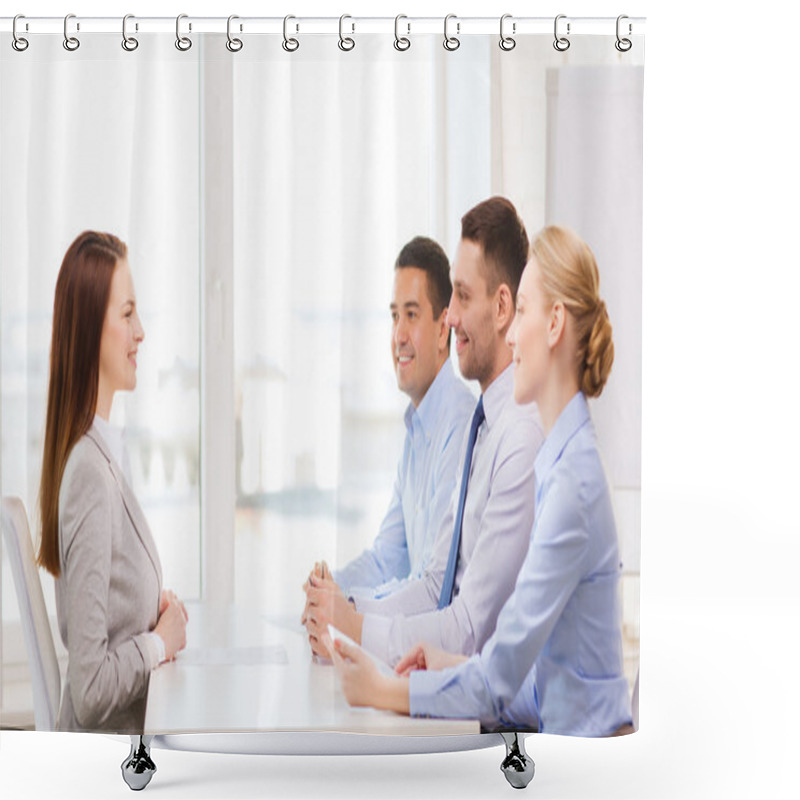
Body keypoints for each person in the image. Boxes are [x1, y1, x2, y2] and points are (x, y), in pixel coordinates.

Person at [329, 225, 633, 737]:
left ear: (554, 323)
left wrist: (383, 691)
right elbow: (538, 683)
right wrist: (449, 667)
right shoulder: (559, 463)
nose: (511, 334)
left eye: (524, 313)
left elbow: (499, 681)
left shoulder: (570, 486)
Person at [305, 197, 544, 667]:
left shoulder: (511, 436)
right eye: (395, 315)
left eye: (462, 296)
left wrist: (352, 621)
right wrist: (336, 602)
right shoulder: (482, 427)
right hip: (456, 679)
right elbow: (418, 573)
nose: (451, 316)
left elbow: (463, 621)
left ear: (502, 308)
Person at [37, 231, 188, 733]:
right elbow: (91, 690)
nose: (141, 331)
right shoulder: (88, 473)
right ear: (89, 331)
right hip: (106, 769)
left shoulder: (101, 456)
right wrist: (159, 642)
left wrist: (150, 615)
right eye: (127, 314)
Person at [301, 237, 474, 616]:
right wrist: (328, 586)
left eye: (411, 315)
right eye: (394, 316)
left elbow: (434, 590)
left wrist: (345, 608)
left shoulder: (460, 425)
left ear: (444, 326)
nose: (398, 335)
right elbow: (387, 558)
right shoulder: (418, 429)